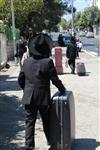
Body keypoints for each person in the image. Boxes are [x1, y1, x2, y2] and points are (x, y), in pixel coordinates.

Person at [18, 33, 66, 150]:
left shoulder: (26, 62)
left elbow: (20, 79)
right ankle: (50, 141)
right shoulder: (47, 62)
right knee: (47, 121)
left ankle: (29, 146)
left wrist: (27, 90)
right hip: (43, 98)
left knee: (29, 122)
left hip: (29, 97)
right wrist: (62, 89)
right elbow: (54, 79)